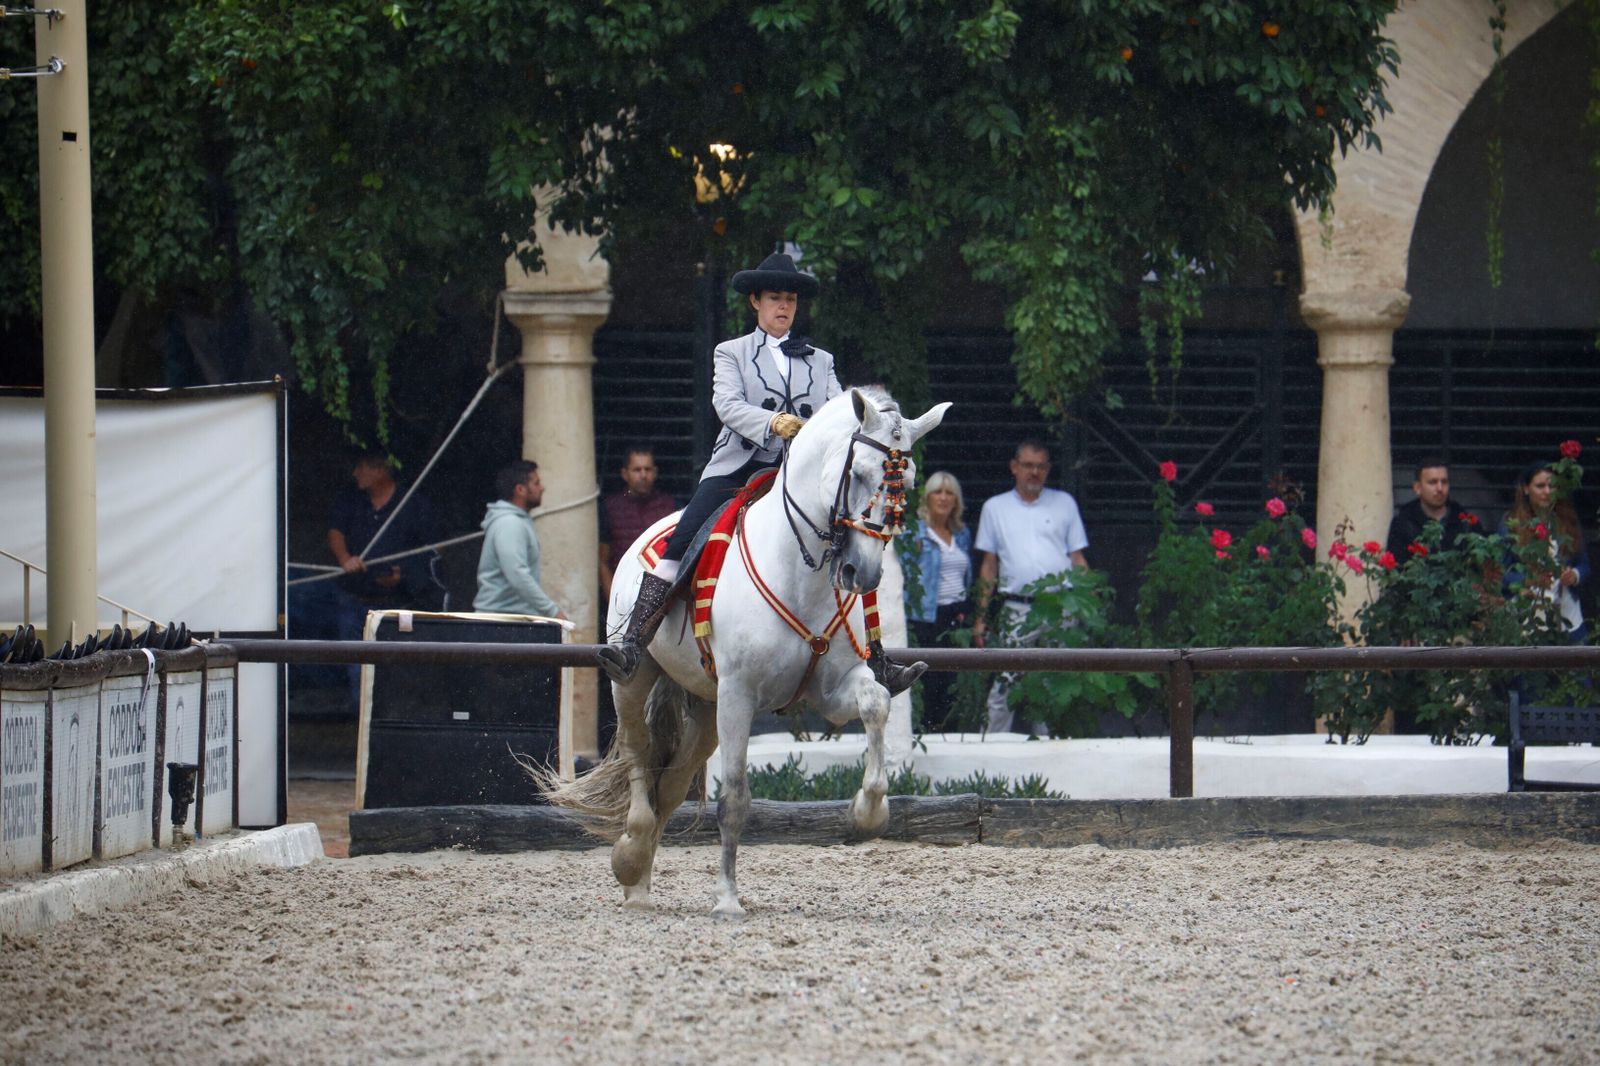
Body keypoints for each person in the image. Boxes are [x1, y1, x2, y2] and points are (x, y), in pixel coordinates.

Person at [597, 250, 919, 695]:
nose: (784, 306)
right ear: (755, 302)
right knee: (684, 536)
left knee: (857, 536)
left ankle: (875, 658)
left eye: (790, 299)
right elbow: (726, 405)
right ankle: (633, 640)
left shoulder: (821, 361)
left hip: (802, 475)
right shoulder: (730, 352)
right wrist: (773, 422)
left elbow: (839, 414)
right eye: (774, 298)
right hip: (739, 466)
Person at [972, 440, 1090, 734]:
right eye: (1027, 465)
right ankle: (992, 747)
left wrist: (1090, 604)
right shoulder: (995, 507)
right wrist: (981, 617)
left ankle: (1049, 746)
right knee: (1006, 679)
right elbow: (989, 565)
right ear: (1014, 467)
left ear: (1048, 470)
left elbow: (1077, 558)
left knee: (1054, 682)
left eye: (1040, 466)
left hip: (1060, 607)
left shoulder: (1065, 503)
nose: (1034, 472)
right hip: (1017, 607)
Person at [906, 471, 974, 728]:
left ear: (956, 500)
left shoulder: (962, 534)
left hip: (957, 616)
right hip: (926, 617)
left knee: (954, 683)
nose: (943, 498)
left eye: (949, 493)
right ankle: (927, 733)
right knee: (928, 682)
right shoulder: (914, 533)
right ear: (927, 498)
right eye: (937, 492)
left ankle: (950, 734)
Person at [1500, 461, 1589, 643]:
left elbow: (1584, 564)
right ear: (1526, 489)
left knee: (1577, 659)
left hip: (1567, 613)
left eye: (1552, 486)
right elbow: (1500, 572)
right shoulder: (1511, 523)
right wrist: (1528, 580)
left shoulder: (1568, 520)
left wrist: (1574, 575)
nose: (1547, 491)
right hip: (1526, 612)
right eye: (1540, 486)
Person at [474, 461, 567, 620]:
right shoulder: (510, 524)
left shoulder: (517, 521)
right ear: (520, 490)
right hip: (500, 620)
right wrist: (553, 612)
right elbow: (517, 574)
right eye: (536, 483)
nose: (542, 488)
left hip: (508, 619)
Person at [598, 445, 677, 599]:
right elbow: (603, 562)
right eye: (637, 470)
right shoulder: (610, 508)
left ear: (655, 472)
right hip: (622, 590)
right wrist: (614, 601)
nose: (643, 475)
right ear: (625, 474)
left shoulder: (670, 507)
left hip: (661, 593)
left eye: (647, 469)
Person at [1385, 458, 1479, 557]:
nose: (1440, 488)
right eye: (1433, 482)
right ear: (1417, 488)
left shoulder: (1465, 523)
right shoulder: (1403, 524)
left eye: (1444, 482)